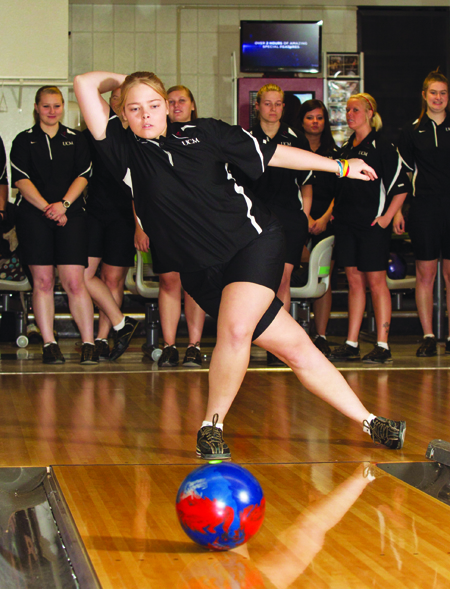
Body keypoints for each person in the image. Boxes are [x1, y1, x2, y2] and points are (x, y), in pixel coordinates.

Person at [74, 70, 406, 459]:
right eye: (134, 108)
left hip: (252, 244)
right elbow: (83, 83)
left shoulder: (206, 132)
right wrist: (127, 79)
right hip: (201, 272)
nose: (145, 115)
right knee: (297, 348)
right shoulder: (123, 152)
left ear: (167, 107)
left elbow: (276, 155)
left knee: (234, 330)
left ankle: (210, 427)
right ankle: (372, 422)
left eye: (153, 104)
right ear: (125, 116)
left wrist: (340, 166)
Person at [10, 85, 97, 364]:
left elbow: (83, 175)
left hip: (71, 215)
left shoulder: (77, 139)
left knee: (74, 281)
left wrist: (64, 205)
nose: (51, 111)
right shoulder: (23, 140)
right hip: (34, 217)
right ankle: (49, 343)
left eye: (56, 106)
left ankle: (88, 343)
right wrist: (49, 208)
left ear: (63, 107)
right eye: (46, 106)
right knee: (43, 281)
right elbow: (21, 180)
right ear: (37, 108)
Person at [328, 93, 410, 364]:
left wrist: (387, 217)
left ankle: (383, 345)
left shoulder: (383, 145)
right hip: (346, 225)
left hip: (372, 225)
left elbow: (401, 187)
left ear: (370, 113)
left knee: (376, 283)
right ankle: (351, 343)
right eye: (347, 110)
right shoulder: (346, 148)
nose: (350, 114)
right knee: (353, 281)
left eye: (356, 110)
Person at [243, 84, 313, 365]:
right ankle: (251, 339)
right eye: (267, 103)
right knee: (258, 282)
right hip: (255, 220)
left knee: (282, 280)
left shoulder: (295, 139)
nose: (273, 109)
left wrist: (305, 217)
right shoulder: (245, 139)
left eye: (278, 104)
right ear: (257, 106)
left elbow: (307, 183)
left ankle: (278, 347)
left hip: (289, 219)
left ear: (284, 108)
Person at [141, 85, 206, 368]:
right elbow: (139, 188)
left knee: (194, 283)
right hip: (162, 222)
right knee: (169, 281)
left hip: (198, 223)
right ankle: (169, 345)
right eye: (171, 101)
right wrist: (139, 225)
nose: (177, 105)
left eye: (182, 100)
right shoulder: (149, 138)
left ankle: (194, 345)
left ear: (192, 105)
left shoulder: (204, 136)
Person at [395, 69, 450, 357]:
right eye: (433, 93)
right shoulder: (410, 131)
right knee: (425, 273)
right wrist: (397, 212)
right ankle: (428, 335)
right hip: (424, 208)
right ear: (424, 96)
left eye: (443, 93)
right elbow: (403, 176)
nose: (438, 98)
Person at [83, 86, 140, 362]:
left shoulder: (137, 135)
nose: (116, 100)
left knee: (113, 279)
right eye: (113, 96)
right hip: (93, 212)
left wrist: (140, 225)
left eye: (122, 96)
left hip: (124, 216)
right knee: (84, 275)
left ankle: (103, 338)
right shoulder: (90, 134)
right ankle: (121, 322)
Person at [299, 99, 338, 358]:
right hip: (298, 220)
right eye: (310, 117)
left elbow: (341, 192)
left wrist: (323, 218)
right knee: (295, 275)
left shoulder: (335, 152)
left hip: (327, 223)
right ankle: (293, 335)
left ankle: (321, 335)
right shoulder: (292, 149)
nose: (315, 122)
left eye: (320, 118)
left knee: (324, 279)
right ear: (301, 120)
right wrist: (306, 218)